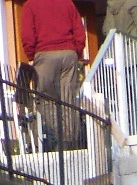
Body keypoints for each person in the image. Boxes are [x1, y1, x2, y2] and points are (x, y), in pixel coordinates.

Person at [20, 0, 87, 149]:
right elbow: (79, 31)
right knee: (68, 98)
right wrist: (76, 51)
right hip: (69, 54)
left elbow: (27, 35)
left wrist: (32, 55)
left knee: (45, 99)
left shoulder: (30, 5)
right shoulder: (67, 3)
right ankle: (70, 141)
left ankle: (61, 137)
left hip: (45, 54)